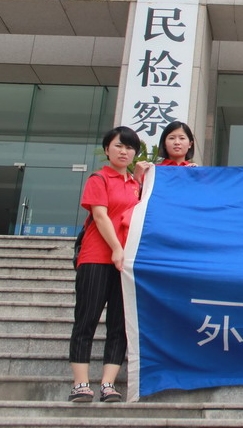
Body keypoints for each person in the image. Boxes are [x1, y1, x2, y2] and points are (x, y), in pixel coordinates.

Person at [68, 126, 142, 403]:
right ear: (107, 149)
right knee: (86, 320)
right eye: (118, 146)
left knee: (119, 324)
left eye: (130, 147)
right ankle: (80, 384)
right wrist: (116, 249)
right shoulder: (99, 178)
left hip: (125, 264)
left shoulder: (136, 185)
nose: (124, 151)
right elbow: (100, 217)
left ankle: (108, 384)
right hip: (96, 258)